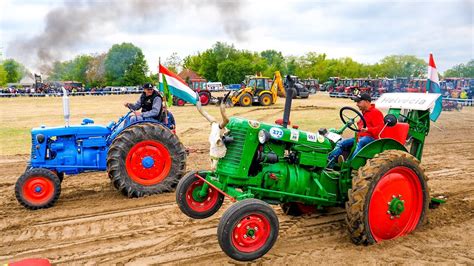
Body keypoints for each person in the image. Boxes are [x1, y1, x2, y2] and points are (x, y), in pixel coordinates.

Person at [327, 93, 384, 168]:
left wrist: (368, 129)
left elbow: (379, 129)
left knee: (361, 141)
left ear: (367, 102)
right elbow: (360, 126)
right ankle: (329, 163)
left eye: (359, 102)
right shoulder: (364, 113)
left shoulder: (376, 113)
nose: (357, 104)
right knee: (341, 143)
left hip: (372, 139)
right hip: (360, 137)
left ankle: (349, 164)